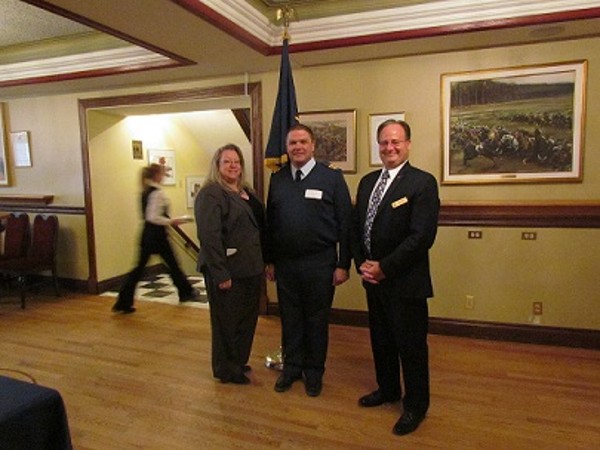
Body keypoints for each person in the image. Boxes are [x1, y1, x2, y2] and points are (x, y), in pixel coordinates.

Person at [351, 119, 440, 436]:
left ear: (408, 144)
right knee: (381, 341)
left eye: (395, 142)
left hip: (406, 283)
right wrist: (363, 264)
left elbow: (421, 237)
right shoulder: (366, 182)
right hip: (372, 281)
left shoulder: (422, 183)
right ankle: (387, 389)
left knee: (411, 347)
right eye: (384, 142)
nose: (389, 148)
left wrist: (384, 267)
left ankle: (415, 406)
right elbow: (356, 229)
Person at [265, 123, 352, 397]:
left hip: (321, 264)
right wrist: (270, 260)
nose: (297, 147)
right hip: (286, 264)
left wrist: (343, 264)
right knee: (290, 319)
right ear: (287, 148)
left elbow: (346, 224)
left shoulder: (332, 178)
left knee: (316, 321)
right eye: (292, 143)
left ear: (313, 145)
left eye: (303, 142)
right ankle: (291, 368)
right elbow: (270, 223)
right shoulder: (277, 179)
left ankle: (314, 372)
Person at [195, 144, 265, 385]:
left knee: (246, 319)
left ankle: (238, 361)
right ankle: (226, 369)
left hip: (251, 268)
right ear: (217, 166)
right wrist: (220, 273)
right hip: (227, 271)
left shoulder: (246, 191)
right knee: (227, 322)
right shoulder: (211, 194)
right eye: (227, 161)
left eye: (237, 161)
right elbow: (209, 237)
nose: (233, 165)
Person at [112, 163, 200, 314]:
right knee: (172, 264)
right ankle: (186, 291)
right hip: (157, 235)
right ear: (156, 175)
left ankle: (123, 301)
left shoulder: (145, 191)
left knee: (139, 269)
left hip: (147, 234)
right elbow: (152, 216)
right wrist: (171, 221)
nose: (164, 176)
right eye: (162, 173)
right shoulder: (157, 193)